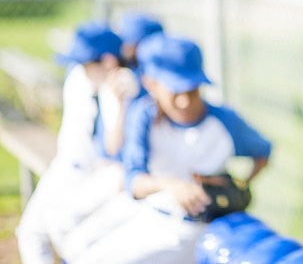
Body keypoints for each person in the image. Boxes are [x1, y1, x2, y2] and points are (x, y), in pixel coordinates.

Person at [59, 34, 273, 264]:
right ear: (151, 84)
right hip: (149, 212)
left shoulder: (223, 121)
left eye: (192, 90)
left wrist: (241, 184)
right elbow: (134, 181)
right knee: (73, 246)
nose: (184, 101)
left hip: (191, 226)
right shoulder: (145, 115)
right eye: (175, 91)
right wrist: (172, 184)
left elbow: (263, 151)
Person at [16, 21, 136, 264]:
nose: (81, 67)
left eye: (86, 62)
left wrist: (123, 100)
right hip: (68, 167)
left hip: (96, 174)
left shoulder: (121, 89)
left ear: (109, 62)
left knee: (70, 238)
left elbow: (114, 147)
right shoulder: (80, 78)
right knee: (32, 232)